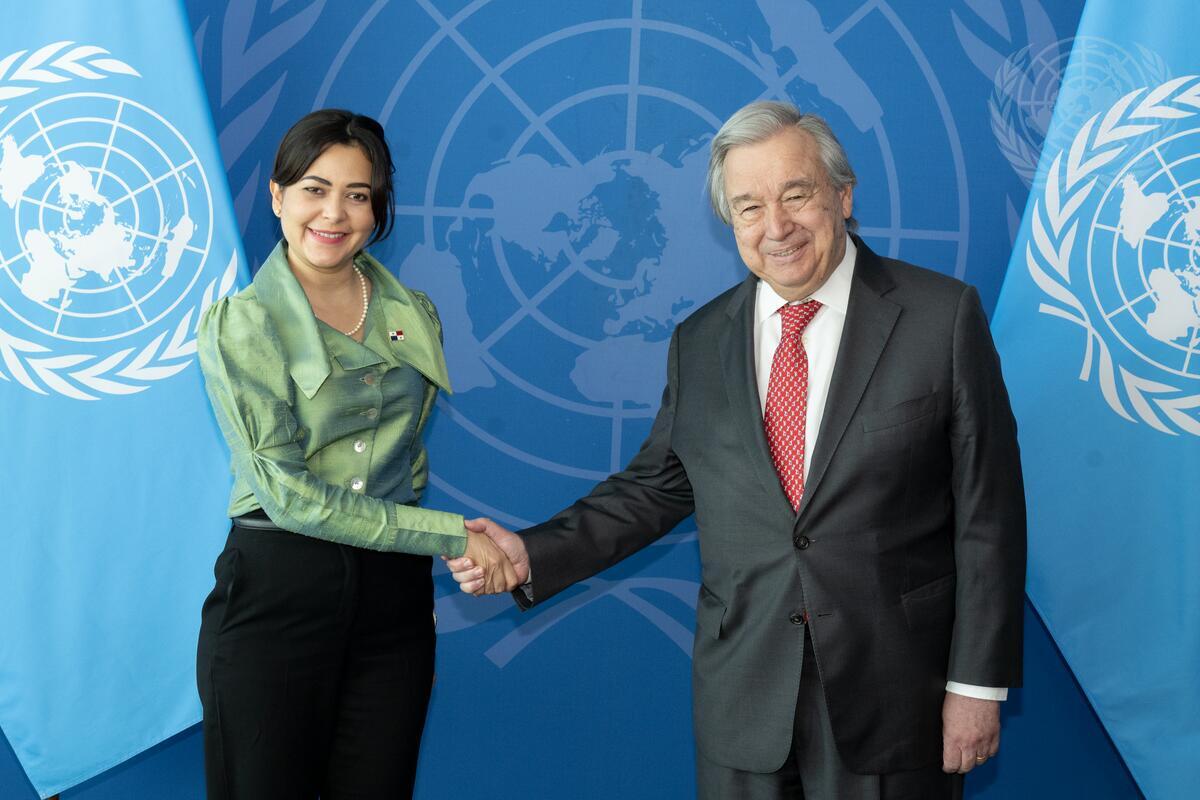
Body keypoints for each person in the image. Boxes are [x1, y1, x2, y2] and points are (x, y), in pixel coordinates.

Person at [448, 101, 1026, 799]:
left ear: (843, 196)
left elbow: (988, 516)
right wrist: (530, 554)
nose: (775, 227)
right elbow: (654, 488)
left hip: (896, 694)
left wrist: (975, 686)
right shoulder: (699, 342)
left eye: (796, 195)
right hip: (744, 698)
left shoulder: (941, 317)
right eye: (749, 207)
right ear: (730, 222)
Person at [195, 109, 515, 799]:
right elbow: (287, 495)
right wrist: (447, 536)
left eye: (357, 194)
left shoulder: (414, 312)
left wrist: (407, 587)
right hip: (279, 589)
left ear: (378, 209)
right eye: (314, 189)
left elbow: (408, 459)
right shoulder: (241, 323)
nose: (334, 213)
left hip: (392, 605)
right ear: (278, 196)